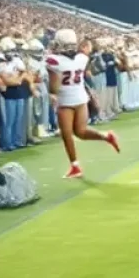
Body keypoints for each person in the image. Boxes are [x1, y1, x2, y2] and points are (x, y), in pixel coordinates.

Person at [44, 28, 120, 180]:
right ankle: (106, 136)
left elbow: (54, 87)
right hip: (81, 98)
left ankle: (75, 167)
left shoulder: (53, 61)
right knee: (81, 132)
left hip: (66, 101)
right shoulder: (82, 58)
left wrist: (52, 93)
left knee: (67, 135)